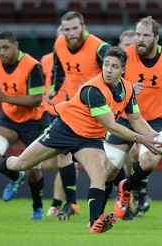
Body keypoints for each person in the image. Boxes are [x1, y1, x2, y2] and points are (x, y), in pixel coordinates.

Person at [0, 46, 162, 233]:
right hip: (64, 130)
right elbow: (111, 125)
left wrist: (157, 137)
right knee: (21, 164)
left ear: (123, 70)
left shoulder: (127, 89)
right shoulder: (94, 89)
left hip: (89, 139)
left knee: (100, 173)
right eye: (106, 64)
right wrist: (142, 139)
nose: (108, 70)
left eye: (114, 66)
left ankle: (94, 223)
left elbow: (136, 119)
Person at [103, 16, 162, 219]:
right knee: (110, 169)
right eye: (138, 34)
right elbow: (105, 83)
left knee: (150, 160)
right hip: (125, 118)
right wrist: (127, 88)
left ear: (156, 38)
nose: (140, 39)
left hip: (153, 121)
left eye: (146, 35)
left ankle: (126, 188)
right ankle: (97, 217)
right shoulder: (125, 56)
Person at [45, 11, 112, 220]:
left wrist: (97, 89)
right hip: (74, 109)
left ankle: (128, 197)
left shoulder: (100, 48)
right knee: (63, 155)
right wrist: (55, 89)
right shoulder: (59, 44)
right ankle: (71, 203)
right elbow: (59, 68)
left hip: (99, 111)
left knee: (110, 165)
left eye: (75, 28)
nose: (71, 33)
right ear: (62, 31)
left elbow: (116, 73)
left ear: (83, 26)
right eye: (67, 29)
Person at [0, 31, 49, 220]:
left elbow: (36, 100)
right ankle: (15, 177)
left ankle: (37, 207)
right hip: (9, 118)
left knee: (34, 171)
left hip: (34, 121)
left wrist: (5, 98)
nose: (1, 52)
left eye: (6, 47)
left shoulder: (32, 66)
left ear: (16, 46)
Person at [40, 25, 71, 217]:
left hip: (68, 113)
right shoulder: (45, 60)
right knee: (50, 165)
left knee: (64, 159)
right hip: (48, 113)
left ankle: (57, 203)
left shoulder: (81, 59)